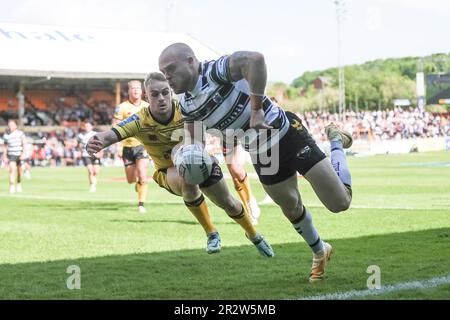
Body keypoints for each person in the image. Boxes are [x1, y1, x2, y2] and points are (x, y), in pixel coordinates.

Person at [159, 43, 353, 282]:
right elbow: (194, 142)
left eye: (170, 68)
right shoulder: (187, 105)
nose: (167, 76)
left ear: (190, 61)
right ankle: (320, 250)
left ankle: (335, 141)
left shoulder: (214, 71)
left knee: (339, 202)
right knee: (291, 206)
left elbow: (256, 60)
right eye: (163, 72)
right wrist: (185, 157)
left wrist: (257, 109)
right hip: (262, 155)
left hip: (286, 134)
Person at [86, 72, 274, 257]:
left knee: (230, 204)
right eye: (155, 94)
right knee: (187, 180)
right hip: (168, 172)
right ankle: (211, 233)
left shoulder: (186, 109)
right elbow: (112, 134)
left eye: (165, 92)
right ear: (146, 96)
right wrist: (98, 141)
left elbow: (207, 128)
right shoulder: (139, 120)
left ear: (171, 92)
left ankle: (254, 235)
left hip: (201, 160)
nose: (161, 98)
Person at [113, 80, 151, 213]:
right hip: (127, 147)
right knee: (130, 180)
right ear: (128, 91)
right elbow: (115, 128)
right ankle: (138, 185)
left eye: (138, 88)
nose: (135, 90)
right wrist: (118, 146)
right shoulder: (121, 107)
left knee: (143, 175)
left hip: (142, 145)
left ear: (142, 91)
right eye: (133, 88)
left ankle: (141, 204)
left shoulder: (147, 106)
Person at [224, 143, 261, 224]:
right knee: (235, 180)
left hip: (239, 140)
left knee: (237, 170)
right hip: (225, 142)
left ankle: (250, 199)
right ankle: (248, 210)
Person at [2, 120, 26, 193]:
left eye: (12, 125)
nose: (10, 126)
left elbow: (24, 143)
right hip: (11, 154)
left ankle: (18, 183)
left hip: (19, 154)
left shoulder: (20, 133)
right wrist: (4, 156)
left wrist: (23, 153)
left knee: (19, 171)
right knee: (12, 169)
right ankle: (12, 186)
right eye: (9, 125)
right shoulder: (6, 135)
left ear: (15, 125)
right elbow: (5, 146)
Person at [77, 122, 100, 192]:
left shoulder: (95, 134)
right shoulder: (80, 135)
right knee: (90, 171)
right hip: (85, 154)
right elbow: (79, 145)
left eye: (88, 126)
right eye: (86, 126)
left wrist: (100, 152)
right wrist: (80, 152)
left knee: (96, 171)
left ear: (91, 127)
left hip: (95, 154)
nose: (87, 128)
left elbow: (100, 143)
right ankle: (92, 185)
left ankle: (93, 178)